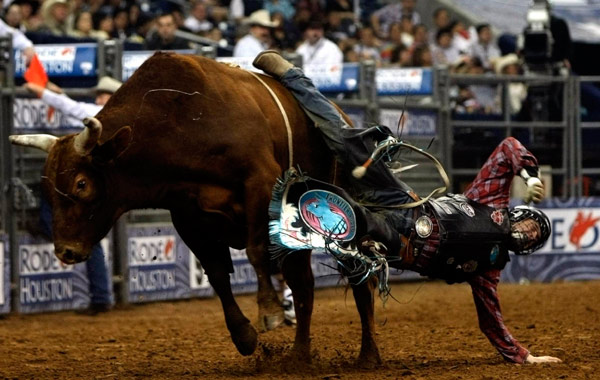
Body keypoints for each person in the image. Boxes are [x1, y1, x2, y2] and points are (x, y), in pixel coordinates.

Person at [253, 50, 562, 364]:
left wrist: (525, 357)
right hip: (406, 204)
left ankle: (280, 225)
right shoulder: (490, 200)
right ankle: (293, 76)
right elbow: (508, 147)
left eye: (533, 238)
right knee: (350, 144)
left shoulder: (489, 272)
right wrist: (529, 173)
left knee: (347, 221)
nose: (527, 234)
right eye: (531, 226)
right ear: (522, 214)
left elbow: (491, 322)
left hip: (396, 246)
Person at [24, 76, 122, 315]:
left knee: (77, 231)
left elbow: (75, 110)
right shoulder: (115, 119)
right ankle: (101, 295)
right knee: (87, 236)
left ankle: (100, 295)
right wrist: (58, 92)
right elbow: (76, 110)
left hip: (81, 183)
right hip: (96, 185)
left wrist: (42, 92)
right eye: (99, 95)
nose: (99, 98)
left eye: (103, 95)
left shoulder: (99, 114)